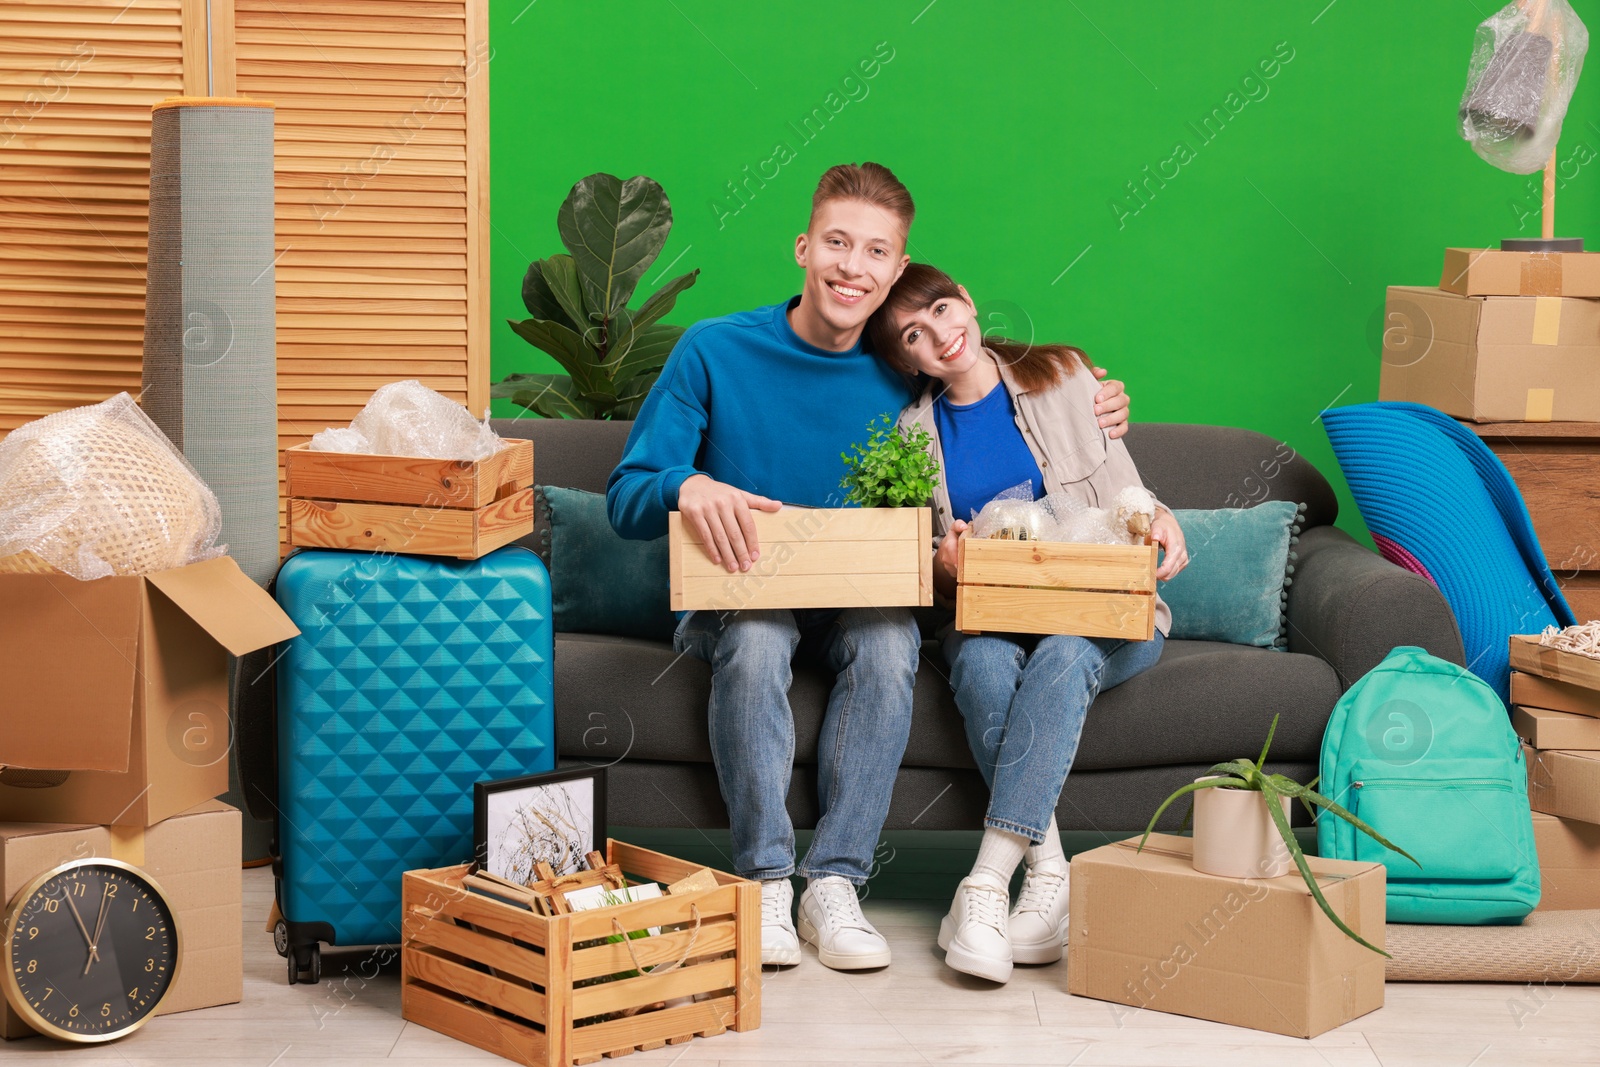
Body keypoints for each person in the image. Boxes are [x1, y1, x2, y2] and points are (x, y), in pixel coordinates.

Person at [607, 165, 1132, 970]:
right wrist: (689, 482)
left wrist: (1088, 392)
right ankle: (767, 883)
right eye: (837, 243)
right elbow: (626, 497)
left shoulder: (905, 368)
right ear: (803, 247)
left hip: (865, 598)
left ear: (895, 273)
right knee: (754, 641)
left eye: (875, 252)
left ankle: (836, 883)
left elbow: (998, 390)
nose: (853, 266)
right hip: (741, 592)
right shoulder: (714, 349)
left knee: (889, 644)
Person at [867, 262, 1188, 984]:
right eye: (915, 334)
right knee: (977, 663)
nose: (941, 336)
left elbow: (1130, 495)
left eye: (945, 310)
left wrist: (1163, 518)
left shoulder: (1067, 378)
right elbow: (913, 558)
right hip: (991, 616)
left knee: (1067, 651)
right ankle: (1049, 875)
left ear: (970, 303)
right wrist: (941, 562)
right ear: (905, 358)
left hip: (1105, 612)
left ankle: (984, 882)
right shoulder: (911, 436)